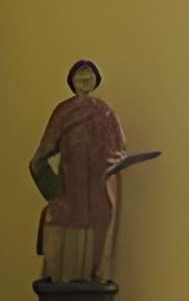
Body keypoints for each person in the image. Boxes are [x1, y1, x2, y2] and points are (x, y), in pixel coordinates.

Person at [31, 59, 127, 284]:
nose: (84, 81)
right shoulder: (64, 111)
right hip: (71, 181)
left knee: (100, 219)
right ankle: (63, 279)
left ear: (96, 81)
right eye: (79, 77)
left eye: (89, 77)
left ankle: (93, 276)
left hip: (96, 183)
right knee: (62, 219)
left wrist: (111, 163)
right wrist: (54, 190)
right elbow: (39, 158)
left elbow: (117, 150)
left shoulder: (105, 113)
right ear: (71, 81)